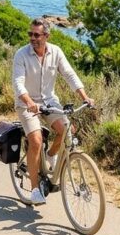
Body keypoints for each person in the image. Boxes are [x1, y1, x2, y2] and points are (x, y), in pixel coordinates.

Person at [12, 18, 93, 205]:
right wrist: (30, 102)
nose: (32, 38)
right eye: (30, 34)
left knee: (67, 130)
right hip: (27, 104)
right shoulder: (21, 55)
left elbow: (69, 74)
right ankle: (34, 190)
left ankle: (50, 155)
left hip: (49, 102)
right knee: (36, 140)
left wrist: (84, 97)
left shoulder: (55, 52)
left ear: (46, 36)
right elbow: (18, 83)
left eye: (37, 35)